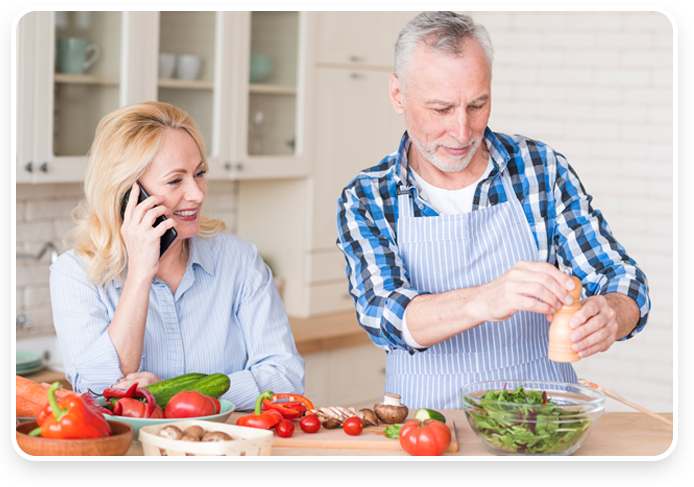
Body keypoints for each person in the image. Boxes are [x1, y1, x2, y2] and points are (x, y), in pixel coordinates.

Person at [336, 12, 650, 409]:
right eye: (441, 109)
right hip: (427, 422)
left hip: (545, 414)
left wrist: (613, 314)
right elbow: (384, 316)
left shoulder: (540, 168)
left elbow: (620, 276)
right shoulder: (367, 197)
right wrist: (485, 299)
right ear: (398, 95)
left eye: (477, 105)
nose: (462, 131)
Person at [50, 101, 305, 411]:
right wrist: (141, 274)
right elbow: (98, 392)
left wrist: (174, 395)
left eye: (199, 174)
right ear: (126, 194)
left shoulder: (239, 260)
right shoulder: (75, 273)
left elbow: (286, 378)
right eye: (175, 180)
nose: (197, 193)